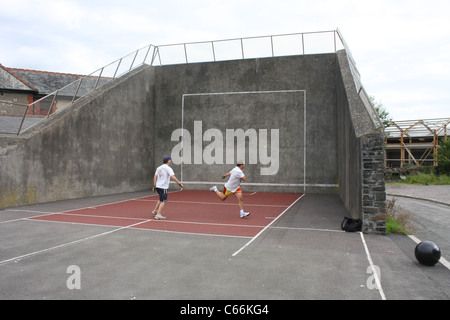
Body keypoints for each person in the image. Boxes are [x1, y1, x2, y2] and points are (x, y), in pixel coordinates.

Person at [152, 156, 183, 220]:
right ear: (168, 161)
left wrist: (154, 185)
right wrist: (179, 183)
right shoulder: (168, 168)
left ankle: (155, 210)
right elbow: (173, 177)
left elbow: (155, 176)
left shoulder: (159, 167)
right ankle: (158, 214)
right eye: (170, 160)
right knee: (164, 201)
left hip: (158, 186)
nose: (170, 161)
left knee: (161, 199)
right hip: (163, 187)